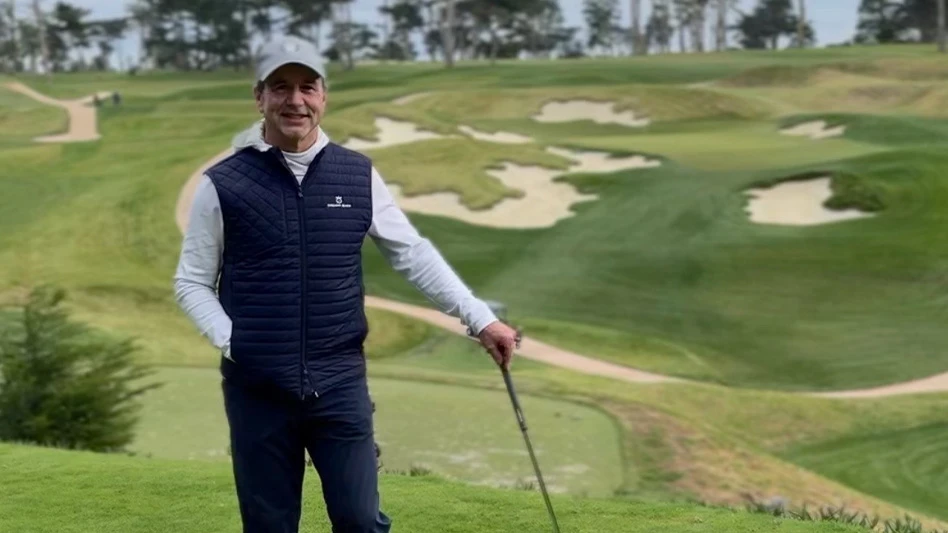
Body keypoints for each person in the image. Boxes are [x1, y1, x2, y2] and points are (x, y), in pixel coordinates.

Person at [172, 35, 521, 533]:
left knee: (360, 521)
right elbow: (192, 282)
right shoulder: (223, 184)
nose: (295, 100)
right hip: (258, 390)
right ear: (260, 97)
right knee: (270, 526)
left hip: (339, 382)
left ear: (323, 96)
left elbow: (413, 254)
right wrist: (235, 343)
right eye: (281, 87)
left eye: (307, 87)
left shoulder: (356, 175)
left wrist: (481, 318)